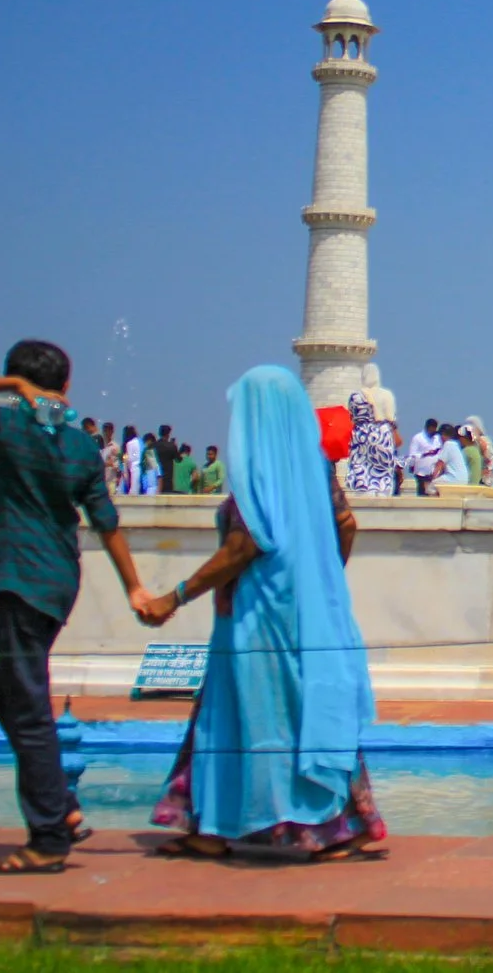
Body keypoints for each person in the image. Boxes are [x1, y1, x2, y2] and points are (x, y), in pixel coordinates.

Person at [137, 365, 382, 862]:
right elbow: (346, 523)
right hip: (298, 611)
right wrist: (318, 577)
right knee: (300, 711)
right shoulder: (312, 467)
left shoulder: (260, 470)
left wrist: (175, 596)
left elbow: (242, 546)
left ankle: (241, 823)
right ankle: (326, 824)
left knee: (252, 714)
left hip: (258, 618)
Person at [0, 338, 154, 873]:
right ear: (67, 387)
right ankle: (63, 808)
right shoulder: (79, 444)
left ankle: (49, 835)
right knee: (9, 695)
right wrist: (134, 588)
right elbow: (107, 522)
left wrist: (10, 388)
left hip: (19, 579)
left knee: (26, 706)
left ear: (18, 383)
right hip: (56, 583)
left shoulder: (6, 426)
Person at [344, 390, 398, 497]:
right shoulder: (384, 429)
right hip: (381, 439)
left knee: (361, 478)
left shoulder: (356, 398)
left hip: (362, 439)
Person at [404, 419, 445, 497]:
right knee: (422, 494)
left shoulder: (437, 438)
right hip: (421, 472)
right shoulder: (418, 438)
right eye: (431, 429)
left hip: (433, 473)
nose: (433, 431)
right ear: (427, 427)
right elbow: (412, 455)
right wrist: (425, 454)